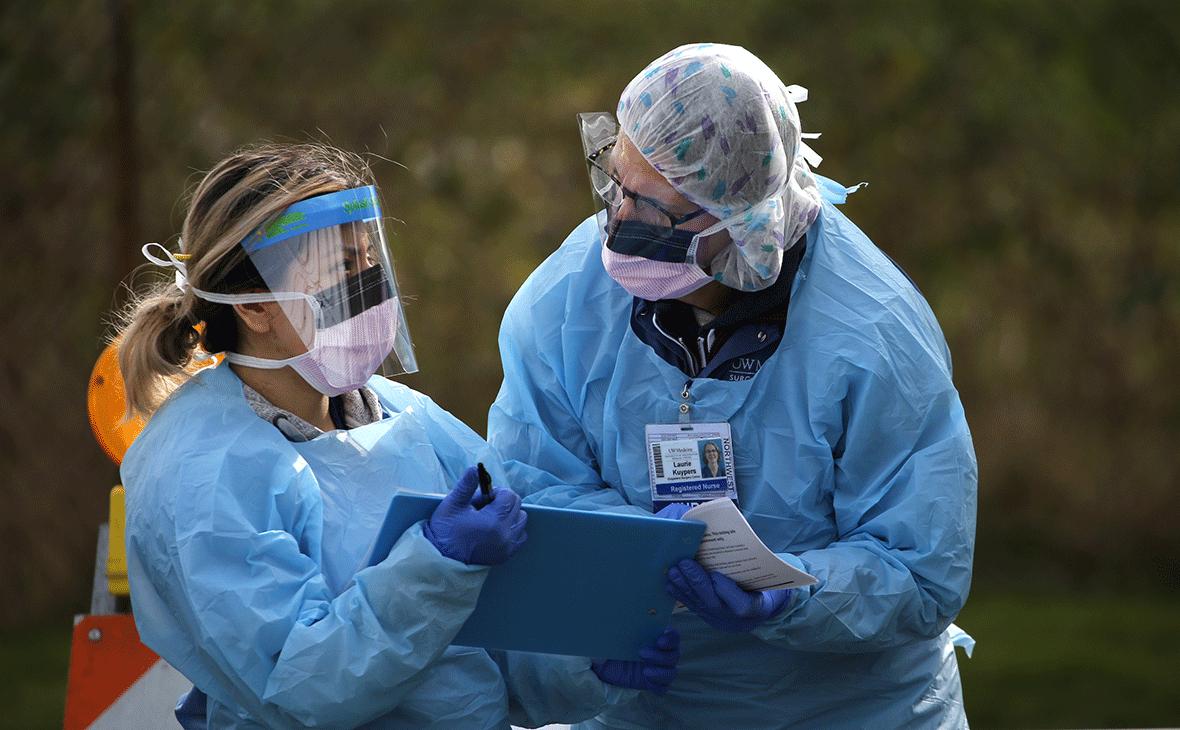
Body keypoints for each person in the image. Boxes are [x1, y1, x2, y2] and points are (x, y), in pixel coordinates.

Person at [489, 44, 977, 728]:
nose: (619, 223)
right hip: (638, 704)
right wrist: (631, 548)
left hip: (852, 710)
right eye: (615, 183)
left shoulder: (874, 335)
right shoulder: (566, 303)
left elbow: (920, 569)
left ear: (741, 219)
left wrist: (793, 595)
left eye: (653, 209)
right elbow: (533, 485)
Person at [116, 143, 679, 729]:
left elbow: (474, 656)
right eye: (343, 269)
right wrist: (436, 565)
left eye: (370, 260)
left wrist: (582, 664)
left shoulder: (403, 416)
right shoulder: (202, 470)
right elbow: (301, 689)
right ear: (256, 306)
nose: (370, 287)